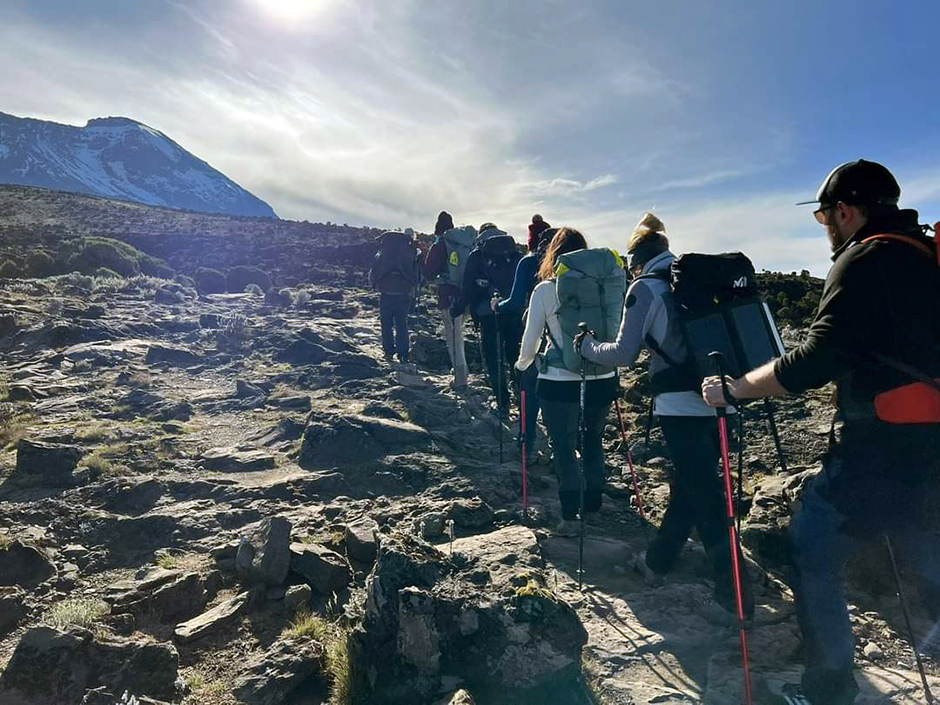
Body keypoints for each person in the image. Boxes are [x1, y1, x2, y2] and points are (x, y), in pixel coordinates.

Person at [701, 160, 940, 705]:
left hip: (878, 448)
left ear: (846, 210)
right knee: (928, 559)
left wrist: (735, 389)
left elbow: (814, 361)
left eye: (823, 216)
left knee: (812, 550)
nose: (825, 226)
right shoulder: (927, 255)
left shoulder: (863, 258)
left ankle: (828, 689)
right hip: (934, 445)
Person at [576, 212, 753, 623]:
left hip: (678, 404)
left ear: (636, 260)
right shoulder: (694, 284)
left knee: (706, 499)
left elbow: (624, 353)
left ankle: (735, 595)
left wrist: (587, 347)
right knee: (692, 485)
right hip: (721, 398)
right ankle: (659, 559)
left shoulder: (645, 289)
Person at [515, 227, 619, 536]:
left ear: (554, 254)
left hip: (558, 381)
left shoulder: (547, 289)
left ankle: (570, 515)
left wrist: (522, 366)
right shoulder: (607, 287)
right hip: (603, 374)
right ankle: (594, 504)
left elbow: (531, 340)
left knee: (563, 447)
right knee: (593, 439)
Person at [496, 220, 557, 463]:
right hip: (570, 344)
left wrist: (496, 305)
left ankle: (527, 444)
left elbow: (513, 302)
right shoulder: (577, 272)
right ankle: (563, 449)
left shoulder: (529, 262)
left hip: (535, 336)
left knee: (529, 390)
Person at [451, 223, 522, 416]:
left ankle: (503, 403)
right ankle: (521, 395)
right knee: (515, 355)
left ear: (482, 234)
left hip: (487, 314)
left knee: (493, 358)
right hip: (514, 312)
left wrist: (457, 308)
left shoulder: (478, 254)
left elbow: (468, 288)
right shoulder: (515, 254)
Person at [423, 211, 469, 388]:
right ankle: (461, 372)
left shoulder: (440, 245)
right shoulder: (464, 244)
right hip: (465, 296)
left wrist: (421, 258)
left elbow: (429, 273)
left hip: (448, 296)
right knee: (459, 333)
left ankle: (460, 379)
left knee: (453, 337)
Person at [369, 230, 420, 363]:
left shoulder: (383, 253)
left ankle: (388, 352)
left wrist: (374, 284)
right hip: (404, 293)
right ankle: (403, 354)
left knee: (386, 323)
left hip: (386, 293)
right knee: (402, 323)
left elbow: (374, 272)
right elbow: (417, 273)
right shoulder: (410, 252)